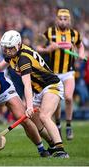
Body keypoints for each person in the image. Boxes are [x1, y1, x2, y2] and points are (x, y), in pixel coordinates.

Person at [0, 30, 69, 158]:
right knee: (35, 123)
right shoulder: (12, 54)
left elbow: (26, 85)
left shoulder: (23, 59)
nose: (7, 51)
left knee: (44, 116)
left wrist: (29, 106)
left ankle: (61, 150)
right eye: (5, 48)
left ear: (18, 45)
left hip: (51, 85)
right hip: (38, 90)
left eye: (10, 48)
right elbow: (0, 67)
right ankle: (52, 145)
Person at [36, 8, 85, 140]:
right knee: (56, 102)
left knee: (68, 98)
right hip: (53, 74)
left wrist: (81, 54)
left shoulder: (75, 34)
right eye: (60, 18)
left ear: (69, 20)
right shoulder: (50, 33)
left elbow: (80, 46)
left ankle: (68, 125)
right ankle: (57, 124)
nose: (63, 21)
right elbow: (38, 48)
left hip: (68, 72)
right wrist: (47, 49)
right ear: (57, 19)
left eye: (65, 19)